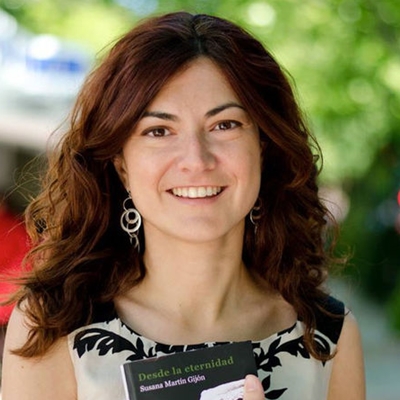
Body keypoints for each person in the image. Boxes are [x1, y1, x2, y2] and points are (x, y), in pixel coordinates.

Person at [1, 11, 365, 400]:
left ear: (263, 146)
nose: (196, 159)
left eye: (224, 125)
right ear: (121, 165)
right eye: (159, 131)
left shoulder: (327, 335)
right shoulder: (53, 327)